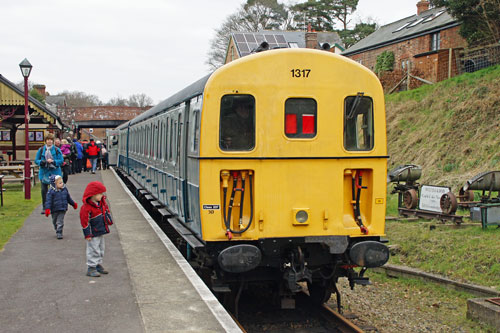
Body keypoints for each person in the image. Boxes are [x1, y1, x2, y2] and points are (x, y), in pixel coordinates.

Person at [80, 181, 113, 277]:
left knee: (101, 248)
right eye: (100, 194)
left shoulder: (100, 204)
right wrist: (87, 234)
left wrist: (108, 221)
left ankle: (97, 264)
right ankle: (91, 267)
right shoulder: (86, 208)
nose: (102, 196)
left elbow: (105, 213)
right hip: (93, 232)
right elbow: (84, 222)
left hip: (100, 230)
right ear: (93, 194)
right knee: (93, 249)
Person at [35, 134, 64, 214]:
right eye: (48, 140)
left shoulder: (57, 150)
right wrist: (43, 162)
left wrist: (54, 161)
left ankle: (55, 206)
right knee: (44, 191)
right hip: (44, 173)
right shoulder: (41, 150)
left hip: (55, 173)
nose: (49, 141)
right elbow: (36, 160)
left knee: (55, 190)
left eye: (51, 140)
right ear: (45, 141)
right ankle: (45, 207)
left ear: (53, 141)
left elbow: (61, 160)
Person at [45, 175, 77, 239]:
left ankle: (59, 232)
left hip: (62, 208)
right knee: (54, 221)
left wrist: (73, 204)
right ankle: (56, 228)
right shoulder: (51, 192)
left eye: (62, 182)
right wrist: (47, 209)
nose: (62, 184)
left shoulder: (64, 190)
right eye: (60, 183)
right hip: (54, 209)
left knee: (60, 221)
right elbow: (48, 201)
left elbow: (68, 198)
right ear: (54, 184)